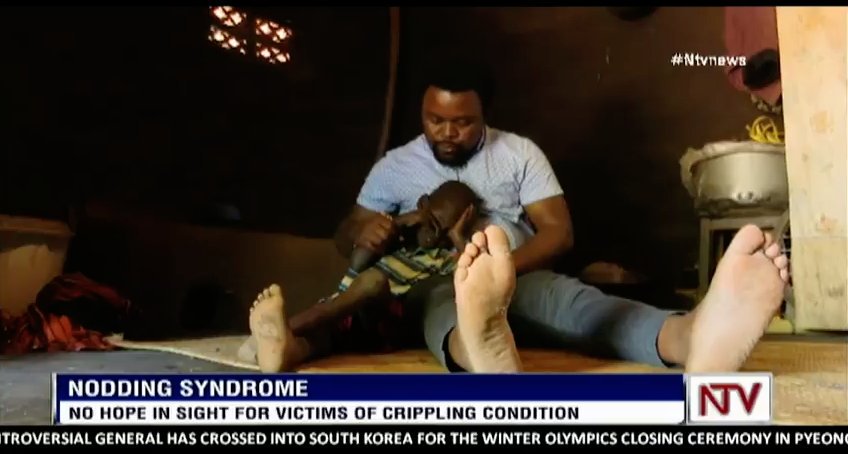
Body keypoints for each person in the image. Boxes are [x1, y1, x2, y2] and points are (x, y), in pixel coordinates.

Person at [251, 59, 790, 373]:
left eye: (462, 122)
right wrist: (360, 230)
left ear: (483, 113)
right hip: (426, 285)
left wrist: (502, 269)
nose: (447, 132)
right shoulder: (394, 167)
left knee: (578, 304)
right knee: (443, 306)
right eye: (435, 120)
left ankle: (691, 338)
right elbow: (347, 233)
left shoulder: (518, 154)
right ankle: (480, 344)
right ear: (423, 113)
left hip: (517, 270)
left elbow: (558, 233)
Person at [244, 180, 482, 372]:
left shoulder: (445, 260)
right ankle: (284, 351)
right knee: (325, 337)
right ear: (422, 205)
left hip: (385, 324)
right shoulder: (395, 241)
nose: (435, 236)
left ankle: (289, 326)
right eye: (433, 223)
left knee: (373, 281)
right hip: (342, 312)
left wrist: (459, 238)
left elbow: (471, 278)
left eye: (445, 232)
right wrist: (402, 221)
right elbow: (360, 254)